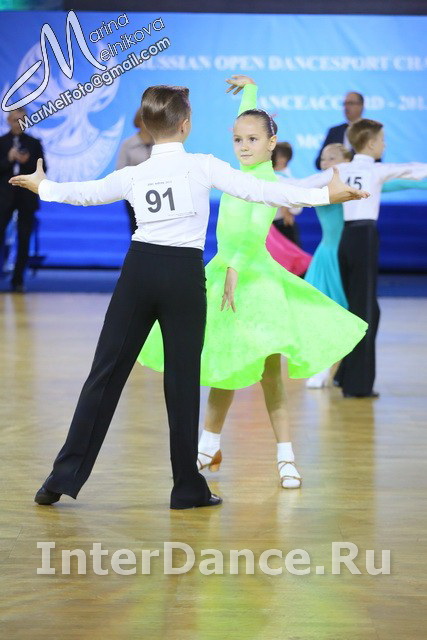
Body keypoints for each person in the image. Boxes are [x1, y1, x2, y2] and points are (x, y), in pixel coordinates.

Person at [10, 85, 365, 509]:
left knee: (104, 375)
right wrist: (325, 195)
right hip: (183, 276)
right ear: (185, 125)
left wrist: (45, 187)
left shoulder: (135, 173)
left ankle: (60, 479)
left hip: (138, 272)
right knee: (181, 383)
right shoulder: (204, 166)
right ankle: (185, 487)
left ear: (147, 126)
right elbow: (265, 191)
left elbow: (86, 193)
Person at [138, 76, 369, 490]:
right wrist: (251, 90)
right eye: (237, 139)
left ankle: (286, 456)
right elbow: (248, 119)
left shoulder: (268, 182)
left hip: (255, 281)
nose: (243, 146)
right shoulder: (234, 175)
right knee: (225, 365)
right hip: (222, 275)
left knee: (269, 373)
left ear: (271, 143)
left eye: (252, 140)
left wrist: (235, 268)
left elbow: (254, 231)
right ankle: (208, 446)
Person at [292, 119, 427, 397]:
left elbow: (300, 185)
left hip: (346, 243)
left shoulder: (344, 172)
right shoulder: (369, 171)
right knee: (357, 311)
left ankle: (345, 375)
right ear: (371, 143)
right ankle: (351, 382)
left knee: (360, 310)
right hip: (355, 242)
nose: (385, 145)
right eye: (383, 140)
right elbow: (413, 170)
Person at [0, 108, 46, 292]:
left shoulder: (34, 143)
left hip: (26, 197)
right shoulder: (2, 142)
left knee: (24, 238)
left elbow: (43, 170)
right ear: (8, 121)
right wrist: (9, 159)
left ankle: (18, 279)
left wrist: (27, 162)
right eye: (15, 120)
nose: (18, 124)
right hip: (4, 198)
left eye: (22, 120)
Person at [116, 109, 153, 235]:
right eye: (146, 120)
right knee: (136, 228)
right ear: (139, 122)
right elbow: (120, 170)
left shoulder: (160, 144)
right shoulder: (128, 144)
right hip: (134, 194)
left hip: (157, 193)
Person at [314, 91, 363, 169]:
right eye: (344, 104)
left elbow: (376, 161)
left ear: (361, 106)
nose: (346, 107)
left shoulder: (370, 131)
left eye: (350, 103)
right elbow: (318, 162)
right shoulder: (334, 131)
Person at [271, 142, 301, 247]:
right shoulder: (268, 176)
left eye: (272, 154)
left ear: (282, 159)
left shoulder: (287, 180)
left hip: (282, 225)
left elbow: (297, 208)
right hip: (270, 226)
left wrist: (287, 208)